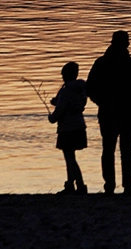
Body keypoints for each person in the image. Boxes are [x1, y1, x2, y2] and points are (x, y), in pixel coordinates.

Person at [86, 30, 131, 195]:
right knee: (123, 150)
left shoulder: (103, 63)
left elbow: (90, 87)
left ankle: (113, 186)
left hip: (116, 111)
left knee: (111, 149)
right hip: (123, 111)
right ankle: (123, 185)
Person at [48, 61, 88, 194]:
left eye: (63, 74)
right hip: (79, 126)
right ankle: (70, 184)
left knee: (69, 158)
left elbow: (60, 110)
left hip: (67, 128)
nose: (62, 77)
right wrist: (58, 101)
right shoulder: (81, 89)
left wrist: (51, 118)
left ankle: (80, 185)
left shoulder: (66, 91)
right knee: (71, 157)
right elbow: (71, 104)